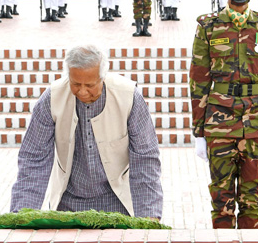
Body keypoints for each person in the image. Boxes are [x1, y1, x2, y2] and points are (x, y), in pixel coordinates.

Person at [10, 44, 163, 219]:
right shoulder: (52, 98)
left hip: (117, 203)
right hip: (67, 204)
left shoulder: (128, 97)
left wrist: (149, 215)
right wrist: (21, 214)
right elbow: (33, 158)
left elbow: (145, 158)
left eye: (89, 85)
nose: (82, 91)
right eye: (75, 84)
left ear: (102, 77)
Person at [190, 0, 258, 229]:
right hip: (220, 121)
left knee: (251, 196)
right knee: (221, 196)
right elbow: (198, 80)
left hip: (257, 120)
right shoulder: (209, 26)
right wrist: (199, 132)